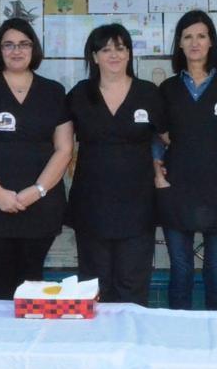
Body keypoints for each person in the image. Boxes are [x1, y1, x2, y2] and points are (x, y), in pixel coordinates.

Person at [0, 18, 74, 300]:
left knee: (32, 282)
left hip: (40, 206)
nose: (16, 50)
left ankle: (30, 343)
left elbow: (64, 149)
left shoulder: (53, 91)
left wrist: (38, 191)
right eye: (8, 45)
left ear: (34, 49)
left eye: (24, 44)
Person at [154, 10, 217, 310]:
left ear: (211, 42)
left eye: (201, 36)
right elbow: (156, 138)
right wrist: (159, 176)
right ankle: (178, 348)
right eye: (187, 36)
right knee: (180, 273)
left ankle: (216, 350)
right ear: (179, 44)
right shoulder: (167, 89)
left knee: (216, 274)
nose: (195, 42)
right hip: (176, 192)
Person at [66, 24, 166, 306]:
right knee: (94, 287)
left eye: (120, 48)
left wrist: (161, 170)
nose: (114, 55)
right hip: (92, 204)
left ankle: (132, 347)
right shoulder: (79, 95)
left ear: (129, 54)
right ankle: (98, 349)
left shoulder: (148, 93)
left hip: (138, 206)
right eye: (106, 49)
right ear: (94, 57)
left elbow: (169, 139)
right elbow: (60, 145)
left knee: (132, 285)